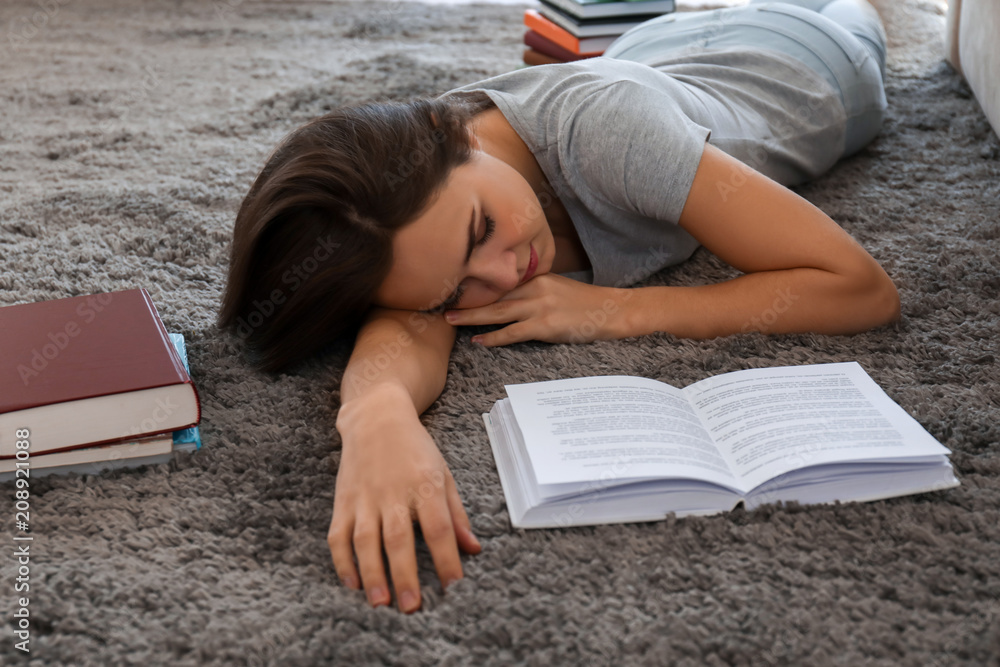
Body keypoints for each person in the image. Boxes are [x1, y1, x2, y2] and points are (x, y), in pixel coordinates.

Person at [217, 0, 899, 613]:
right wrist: (373, 417)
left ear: (451, 129)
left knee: (856, 15)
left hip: (805, 62)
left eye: (481, 229)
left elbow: (860, 286)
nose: (504, 273)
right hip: (658, 48)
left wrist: (616, 310)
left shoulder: (615, 138)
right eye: (456, 292)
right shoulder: (417, 204)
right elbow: (406, 327)